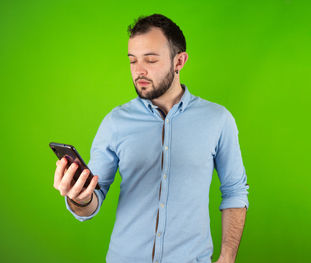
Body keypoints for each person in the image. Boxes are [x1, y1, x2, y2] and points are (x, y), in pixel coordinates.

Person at [53, 13, 249, 263]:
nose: (139, 71)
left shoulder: (218, 120)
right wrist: (79, 198)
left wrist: (227, 258)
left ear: (180, 61)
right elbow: (92, 200)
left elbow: (234, 191)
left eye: (151, 60)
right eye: (133, 60)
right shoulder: (115, 122)